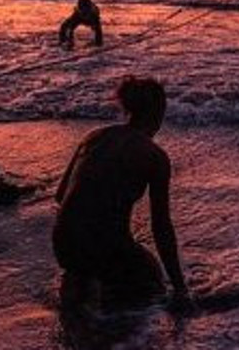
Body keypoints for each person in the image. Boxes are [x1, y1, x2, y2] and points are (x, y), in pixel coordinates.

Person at [53, 77, 190, 308]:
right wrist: (180, 287)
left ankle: (79, 291)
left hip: (63, 244)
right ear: (160, 112)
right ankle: (119, 328)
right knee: (153, 281)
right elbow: (161, 226)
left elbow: (60, 196)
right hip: (103, 247)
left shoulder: (93, 137)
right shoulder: (154, 157)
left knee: (97, 266)